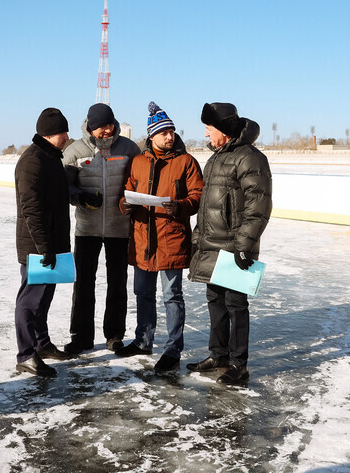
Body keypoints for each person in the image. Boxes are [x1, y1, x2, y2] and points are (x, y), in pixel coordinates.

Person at [186, 102, 272, 385]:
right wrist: (198, 237)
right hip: (212, 244)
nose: (207, 135)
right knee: (215, 302)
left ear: (223, 130)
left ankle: (239, 363)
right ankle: (218, 354)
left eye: (210, 129)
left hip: (235, 247)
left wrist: (244, 245)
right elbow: (207, 206)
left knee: (236, 305)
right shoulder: (216, 158)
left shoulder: (249, 158)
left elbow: (257, 206)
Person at [115, 102, 204, 371]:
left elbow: (197, 197)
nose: (170, 136)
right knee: (142, 293)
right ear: (152, 135)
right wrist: (125, 205)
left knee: (171, 296)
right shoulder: (138, 162)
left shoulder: (186, 162)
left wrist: (180, 206)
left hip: (171, 239)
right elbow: (127, 191)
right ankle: (143, 341)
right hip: (143, 240)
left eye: (172, 132)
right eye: (164, 132)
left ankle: (173, 349)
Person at [62, 103, 141, 355]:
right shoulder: (74, 151)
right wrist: (81, 197)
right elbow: (65, 187)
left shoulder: (129, 149)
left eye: (108, 126)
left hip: (120, 228)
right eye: (99, 128)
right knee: (84, 284)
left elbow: (139, 183)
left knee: (118, 284)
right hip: (87, 229)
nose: (105, 132)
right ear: (89, 126)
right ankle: (81, 336)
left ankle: (115, 335)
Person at [14, 107, 74, 377]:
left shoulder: (50, 158)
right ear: (51, 134)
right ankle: (27, 354)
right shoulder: (32, 162)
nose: (67, 136)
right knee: (30, 301)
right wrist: (44, 248)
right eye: (64, 132)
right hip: (38, 247)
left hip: (51, 244)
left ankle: (41, 344)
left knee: (44, 299)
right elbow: (31, 210)